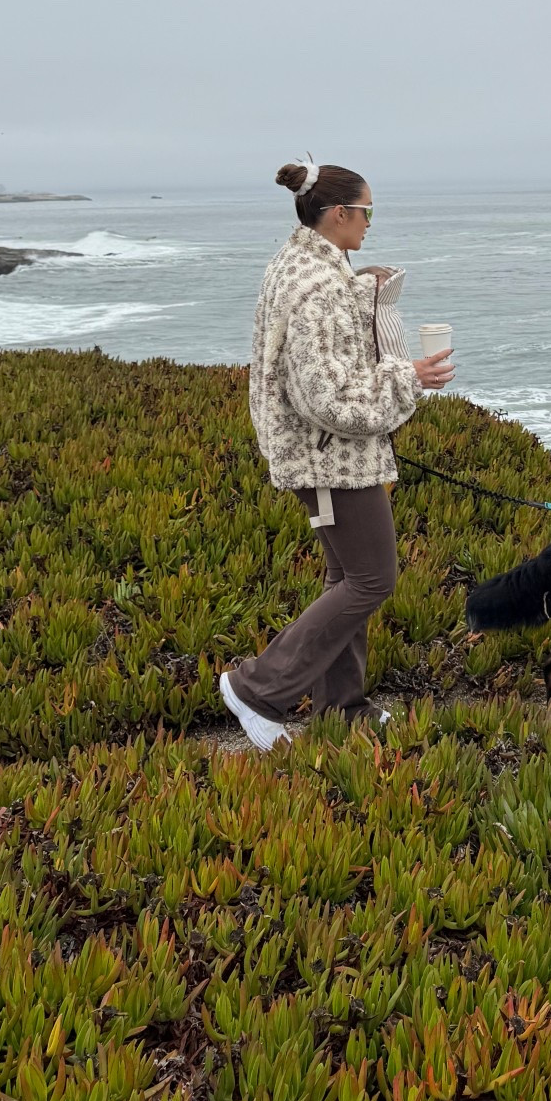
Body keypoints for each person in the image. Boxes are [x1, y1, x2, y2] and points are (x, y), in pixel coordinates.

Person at [219, 159, 455, 750]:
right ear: (338, 214)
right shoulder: (318, 286)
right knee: (373, 579)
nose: (372, 223)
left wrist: (367, 292)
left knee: (345, 576)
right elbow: (325, 397)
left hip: (320, 455)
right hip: (331, 458)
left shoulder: (299, 265)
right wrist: (409, 379)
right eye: (368, 212)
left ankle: (341, 712)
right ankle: (256, 688)